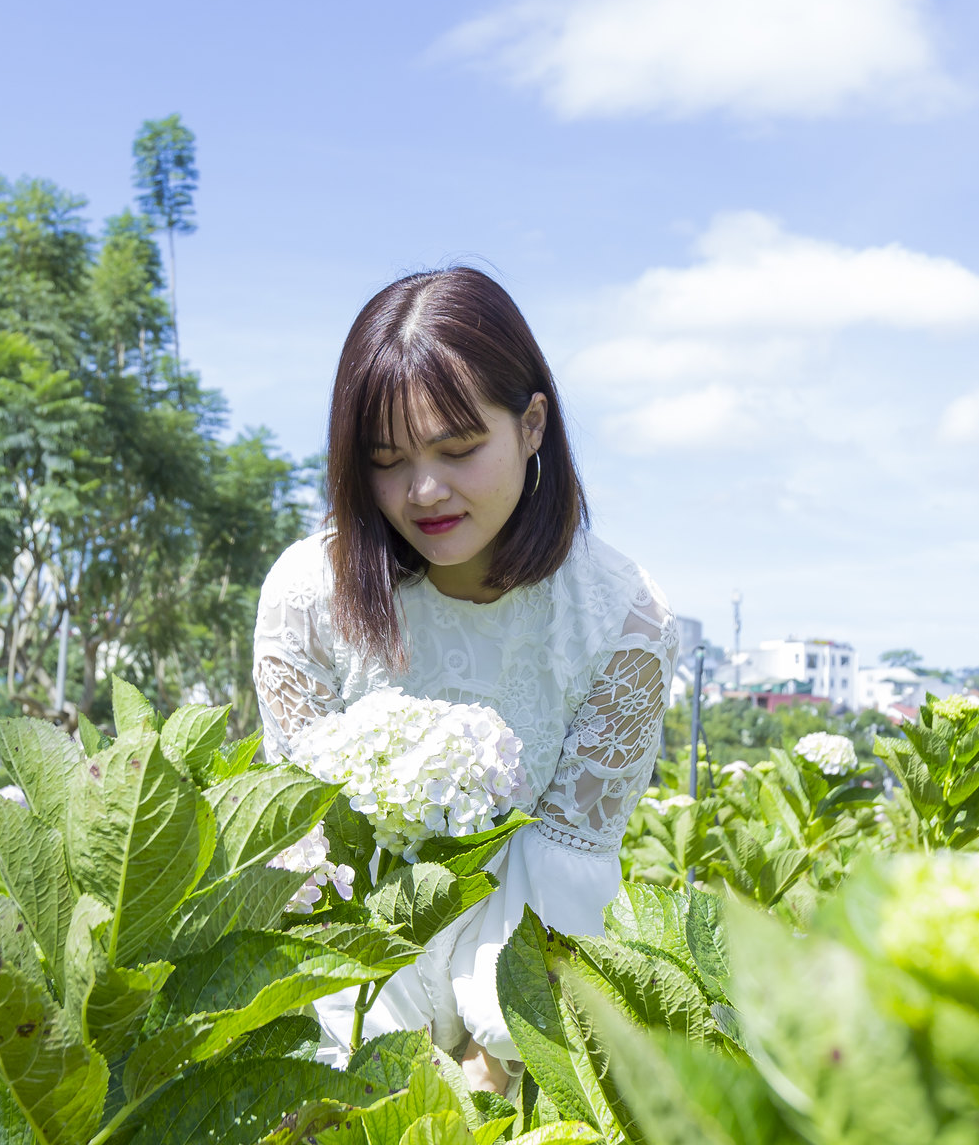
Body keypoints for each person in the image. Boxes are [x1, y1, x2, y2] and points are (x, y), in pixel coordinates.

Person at [251, 266, 678, 1092]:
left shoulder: (622, 619)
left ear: (532, 426)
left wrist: (490, 1071)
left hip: (526, 1027)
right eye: (388, 459)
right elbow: (307, 854)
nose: (423, 490)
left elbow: (566, 867)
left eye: (458, 449)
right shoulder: (309, 596)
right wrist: (372, 1079)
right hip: (342, 1010)